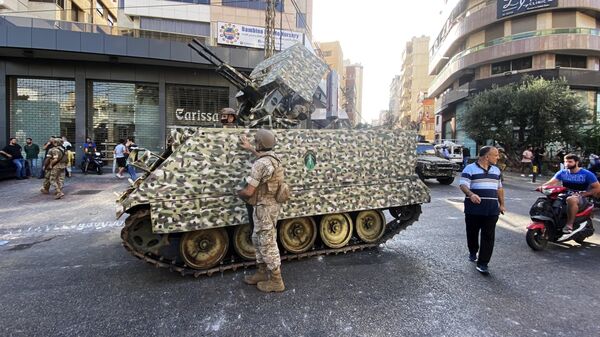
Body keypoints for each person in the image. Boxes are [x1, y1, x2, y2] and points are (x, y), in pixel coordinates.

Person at [238, 129, 285, 292]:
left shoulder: (260, 164)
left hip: (264, 208)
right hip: (270, 206)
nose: (255, 143)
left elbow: (249, 192)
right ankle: (262, 272)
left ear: (260, 143)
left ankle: (276, 280)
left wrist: (237, 192)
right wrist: (251, 148)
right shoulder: (274, 158)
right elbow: (262, 159)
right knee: (257, 238)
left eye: (256, 142)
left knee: (267, 242)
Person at [459, 146, 506, 275]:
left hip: (491, 209)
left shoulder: (496, 171)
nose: (498, 157)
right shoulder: (470, 168)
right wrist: (471, 194)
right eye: (495, 155)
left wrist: (502, 204)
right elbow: (463, 184)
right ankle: (473, 251)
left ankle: (483, 263)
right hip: (473, 209)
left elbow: (499, 188)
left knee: (489, 236)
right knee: (472, 233)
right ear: (486, 156)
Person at [540, 154, 600, 235]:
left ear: (577, 162)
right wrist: (542, 187)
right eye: (565, 162)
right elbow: (551, 183)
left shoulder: (587, 174)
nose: (567, 164)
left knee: (571, 199)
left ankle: (569, 225)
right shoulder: (562, 172)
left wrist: (584, 194)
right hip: (564, 195)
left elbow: (597, 188)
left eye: (570, 162)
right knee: (548, 200)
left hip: (581, 198)